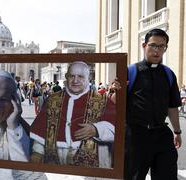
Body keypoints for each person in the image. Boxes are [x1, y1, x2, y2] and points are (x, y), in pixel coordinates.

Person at [30, 61, 116, 168]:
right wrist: (37, 152)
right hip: (53, 162)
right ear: (66, 78)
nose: (75, 80)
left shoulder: (103, 100)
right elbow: (41, 129)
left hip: (91, 165)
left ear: (88, 78)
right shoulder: (52, 99)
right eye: (72, 76)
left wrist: (97, 129)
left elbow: (118, 127)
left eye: (80, 76)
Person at [123, 28, 182, 180]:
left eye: (162, 46)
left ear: (165, 48)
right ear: (144, 46)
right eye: (153, 45)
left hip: (162, 135)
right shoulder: (130, 71)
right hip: (136, 136)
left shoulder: (168, 74)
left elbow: (172, 106)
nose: (157, 50)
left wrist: (177, 131)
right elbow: (115, 104)